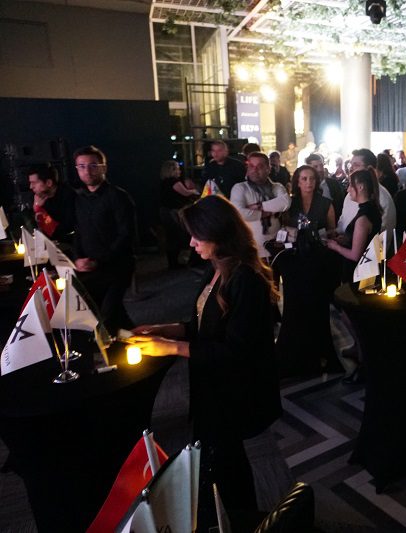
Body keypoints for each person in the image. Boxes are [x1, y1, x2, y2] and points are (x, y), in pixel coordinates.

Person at [129, 195, 282, 525]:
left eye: (196, 236)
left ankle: (245, 522)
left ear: (218, 234)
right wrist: (166, 329)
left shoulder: (246, 281)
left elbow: (235, 353)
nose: (191, 243)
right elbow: (203, 324)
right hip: (212, 388)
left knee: (227, 468)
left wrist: (171, 348)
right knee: (221, 464)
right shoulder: (217, 270)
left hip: (232, 392)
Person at [73, 145, 136, 331]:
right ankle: (138, 340)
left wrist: (99, 260)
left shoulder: (118, 196)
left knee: (107, 315)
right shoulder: (79, 198)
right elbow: (78, 231)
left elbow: (126, 235)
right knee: (109, 314)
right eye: (81, 166)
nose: (87, 171)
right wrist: (77, 258)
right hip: (90, 268)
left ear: (104, 167)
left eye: (93, 165)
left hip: (117, 267)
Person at [326, 169, 382, 283]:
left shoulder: (363, 218)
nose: (348, 190)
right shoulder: (372, 208)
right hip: (369, 270)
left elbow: (355, 255)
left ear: (360, 187)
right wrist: (346, 239)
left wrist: (335, 246)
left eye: (351, 185)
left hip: (357, 275)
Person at [229, 152, 290, 257]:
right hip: (250, 250)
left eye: (260, 166)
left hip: (275, 248)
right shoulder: (240, 188)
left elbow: (286, 202)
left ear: (268, 169)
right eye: (251, 166)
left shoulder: (277, 187)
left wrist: (259, 206)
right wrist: (265, 213)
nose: (255, 169)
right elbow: (238, 213)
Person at [336, 148, 396, 237]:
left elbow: (381, 235)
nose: (351, 169)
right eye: (350, 165)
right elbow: (342, 223)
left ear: (369, 169)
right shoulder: (351, 194)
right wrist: (335, 234)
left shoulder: (381, 197)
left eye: (356, 165)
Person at [159, 160, 199, 269]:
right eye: (177, 168)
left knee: (171, 236)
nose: (180, 171)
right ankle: (177, 262)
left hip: (165, 211)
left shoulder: (164, 182)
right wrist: (194, 191)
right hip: (173, 212)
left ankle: (172, 262)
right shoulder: (174, 181)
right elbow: (185, 193)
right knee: (177, 236)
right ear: (172, 170)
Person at [27, 163, 76, 242]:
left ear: (49, 183)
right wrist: (36, 209)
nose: (31, 187)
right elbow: (32, 229)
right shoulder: (36, 196)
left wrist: (39, 210)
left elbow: (62, 231)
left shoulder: (68, 196)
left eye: (34, 183)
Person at [284, 164, 335, 233]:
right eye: (304, 179)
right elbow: (285, 227)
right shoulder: (290, 203)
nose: (309, 182)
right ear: (298, 182)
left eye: (312, 178)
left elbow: (332, 230)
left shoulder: (326, 204)